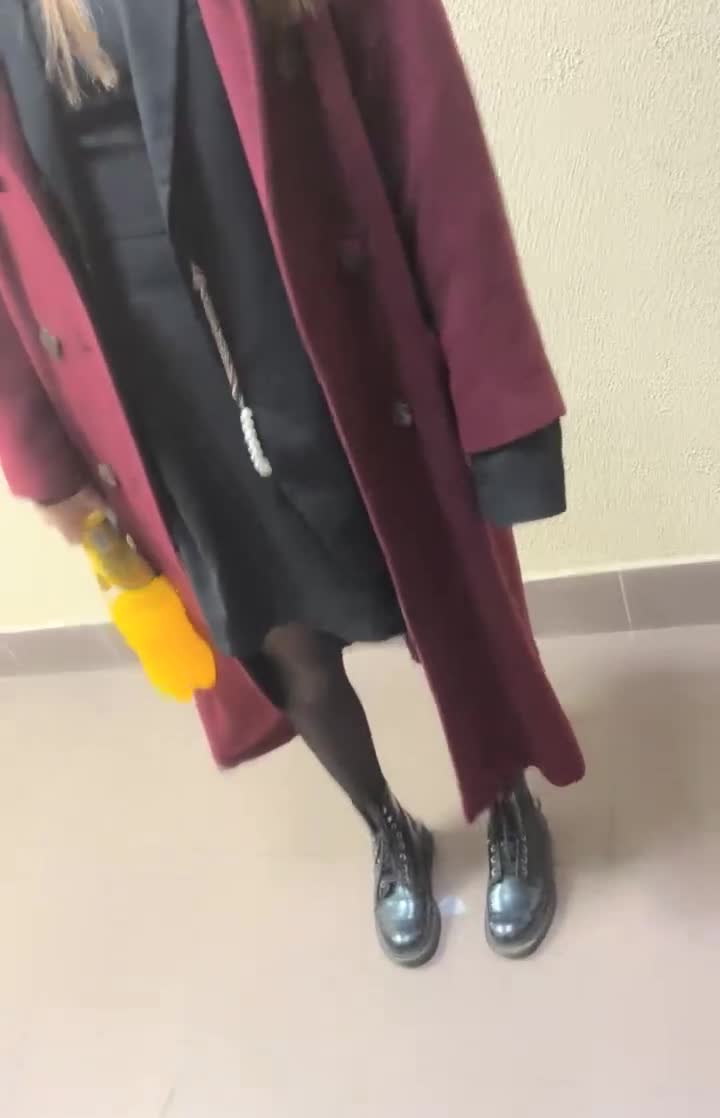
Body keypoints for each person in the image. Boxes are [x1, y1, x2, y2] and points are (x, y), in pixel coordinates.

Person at [0, 0, 584, 967]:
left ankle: (506, 796)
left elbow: (428, 126)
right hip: (151, 390)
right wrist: (44, 466)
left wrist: (500, 396)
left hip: (329, 325)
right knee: (276, 632)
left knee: (435, 589)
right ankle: (387, 827)